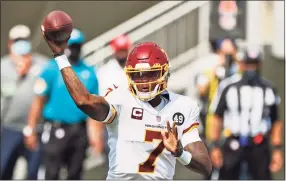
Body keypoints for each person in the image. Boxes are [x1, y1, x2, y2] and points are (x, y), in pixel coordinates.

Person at [42, 28, 212, 179]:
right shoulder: (120, 98)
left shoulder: (182, 107)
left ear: (164, 73)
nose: (143, 81)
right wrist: (60, 56)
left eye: (150, 74)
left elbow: (205, 166)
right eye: (137, 75)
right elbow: (84, 100)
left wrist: (180, 152)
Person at [25, 29, 99, 179]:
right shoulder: (51, 68)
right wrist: (30, 128)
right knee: (51, 172)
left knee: (75, 173)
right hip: (55, 128)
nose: (74, 49)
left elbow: (93, 106)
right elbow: (38, 100)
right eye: (71, 45)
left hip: (79, 130)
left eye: (77, 46)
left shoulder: (89, 72)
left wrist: (95, 136)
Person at [209, 48, 283, 179]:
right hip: (233, 142)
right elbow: (217, 117)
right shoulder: (228, 86)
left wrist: (277, 149)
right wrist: (214, 146)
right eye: (248, 64)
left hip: (258, 144)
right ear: (241, 64)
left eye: (254, 64)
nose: (251, 68)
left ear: (260, 64)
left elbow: (276, 121)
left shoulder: (268, 88)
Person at [1, 24, 48, 179]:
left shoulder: (43, 65)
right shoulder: (3, 67)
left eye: (24, 40)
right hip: (9, 129)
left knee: (34, 172)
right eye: (17, 40)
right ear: (10, 43)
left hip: (36, 129)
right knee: (4, 169)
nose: (21, 44)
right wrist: (18, 74)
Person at [195, 38, 238, 142]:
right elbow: (201, 90)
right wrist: (216, 70)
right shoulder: (211, 70)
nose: (227, 58)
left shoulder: (238, 70)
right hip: (212, 119)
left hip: (233, 121)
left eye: (230, 55)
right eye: (224, 54)